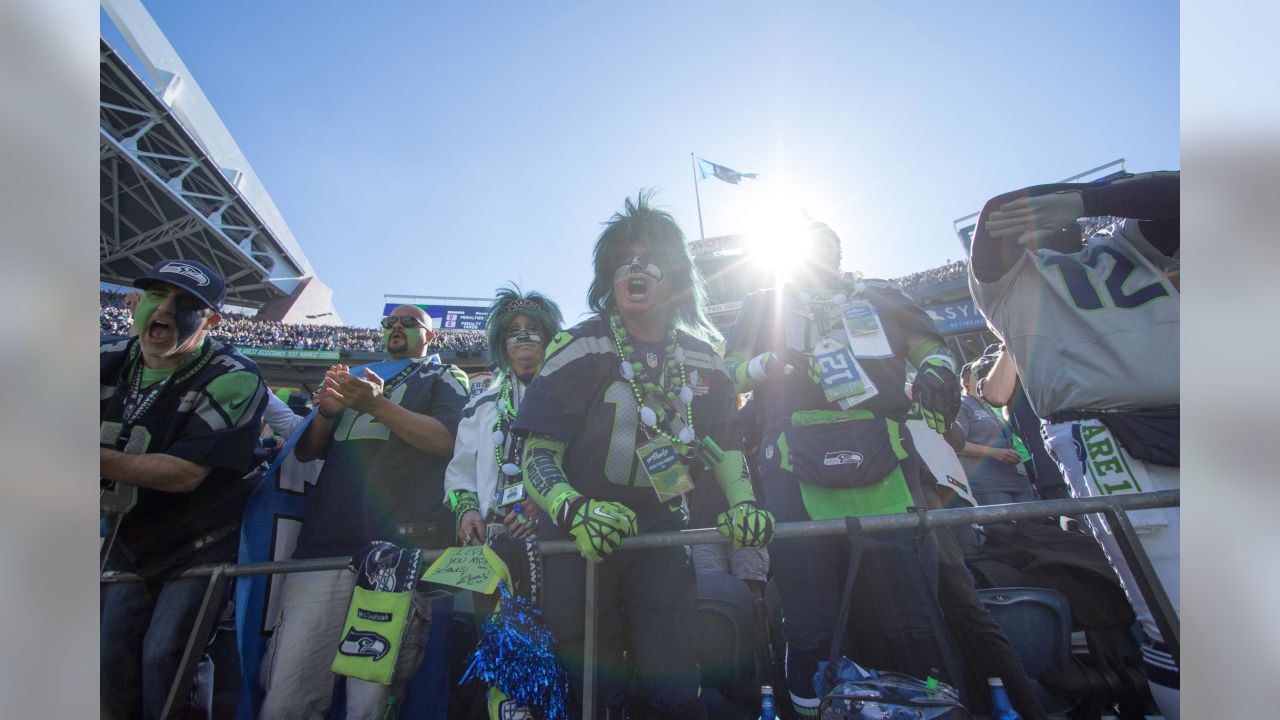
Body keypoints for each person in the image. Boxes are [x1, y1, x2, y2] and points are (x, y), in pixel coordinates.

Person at [724, 220, 1045, 719]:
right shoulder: (763, 301)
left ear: (839, 251)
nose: (815, 252)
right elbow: (730, 372)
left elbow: (931, 350)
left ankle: (925, 704)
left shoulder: (880, 294)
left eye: (825, 243)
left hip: (885, 456)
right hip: (792, 461)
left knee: (909, 612)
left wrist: (940, 372)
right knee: (812, 617)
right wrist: (767, 364)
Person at [513, 192, 774, 719]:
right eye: (621, 260)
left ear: (675, 275)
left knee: (675, 679)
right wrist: (573, 508)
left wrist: (742, 501)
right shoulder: (579, 346)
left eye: (648, 256)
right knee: (592, 685)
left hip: (659, 530)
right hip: (579, 539)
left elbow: (721, 441)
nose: (634, 267)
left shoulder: (704, 354)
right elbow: (537, 452)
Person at [969, 170, 1180, 717]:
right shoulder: (1009, 284)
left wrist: (1089, 200)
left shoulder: (1127, 249)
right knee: (1174, 604)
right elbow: (998, 211)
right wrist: (1057, 203)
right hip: (1104, 430)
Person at [258, 304, 471, 719]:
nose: (396, 327)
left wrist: (377, 406)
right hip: (324, 545)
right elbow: (307, 452)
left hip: (395, 550)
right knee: (286, 696)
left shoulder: (444, 375)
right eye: (390, 322)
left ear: (432, 338)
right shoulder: (356, 377)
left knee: (370, 702)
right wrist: (327, 411)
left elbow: (447, 441)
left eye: (410, 323)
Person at [100, 258, 269, 720]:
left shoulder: (234, 375)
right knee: (106, 662)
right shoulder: (102, 356)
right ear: (136, 302)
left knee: (165, 658)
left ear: (211, 320)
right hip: (130, 540)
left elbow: (185, 473)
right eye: (158, 295)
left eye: (188, 304)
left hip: (202, 543)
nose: (168, 310)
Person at [445, 284, 565, 601]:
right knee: (493, 641)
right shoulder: (479, 405)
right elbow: (459, 476)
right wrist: (466, 511)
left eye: (533, 329)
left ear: (549, 337)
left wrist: (546, 499)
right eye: (513, 330)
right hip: (491, 546)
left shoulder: (572, 397)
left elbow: (585, 460)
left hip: (557, 539)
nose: (523, 336)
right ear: (502, 342)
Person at [955, 360, 1038, 506]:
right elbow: (956, 444)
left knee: (1035, 525)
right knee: (1005, 528)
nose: (985, 377)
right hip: (989, 485)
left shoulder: (994, 404)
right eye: (977, 373)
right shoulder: (962, 405)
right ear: (966, 382)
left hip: (1017, 481)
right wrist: (993, 452)